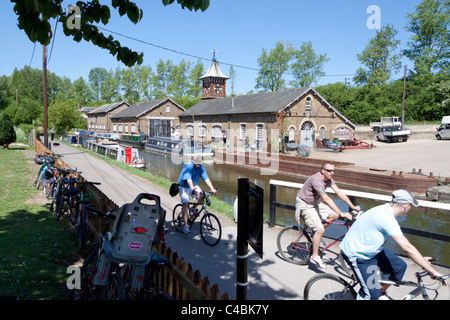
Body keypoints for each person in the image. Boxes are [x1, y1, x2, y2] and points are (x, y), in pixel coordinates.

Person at [340, 189, 447, 300]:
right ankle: (371, 294)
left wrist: (420, 259)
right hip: (359, 255)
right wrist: (432, 271)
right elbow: (407, 247)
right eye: (411, 207)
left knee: (399, 266)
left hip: (372, 249)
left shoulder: (387, 209)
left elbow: (406, 246)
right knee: (372, 295)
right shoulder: (386, 218)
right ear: (406, 206)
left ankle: (379, 290)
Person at [295, 162, 360, 269]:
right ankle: (314, 256)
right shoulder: (316, 180)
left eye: (333, 171)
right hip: (305, 204)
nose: (332, 173)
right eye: (329, 170)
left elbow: (339, 193)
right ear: (322, 171)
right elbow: (326, 199)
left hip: (314, 202)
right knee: (320, 229)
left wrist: (352, 207)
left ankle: (316, 233)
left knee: (334, 216)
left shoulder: (329, 179)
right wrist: (341, 213)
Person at [177, 155, 216, 234]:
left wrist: (212, 188)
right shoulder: (188, 166)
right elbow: (188, 179)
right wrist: (193, 190)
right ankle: (185, 226)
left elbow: (206, 178)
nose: (198, 164)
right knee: (185, 204)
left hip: (193, 185)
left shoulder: (200, 167)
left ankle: (192, 208)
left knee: (201, 196)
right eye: (197, 163)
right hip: (184, 187)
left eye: (199, 163)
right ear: (193, 161)